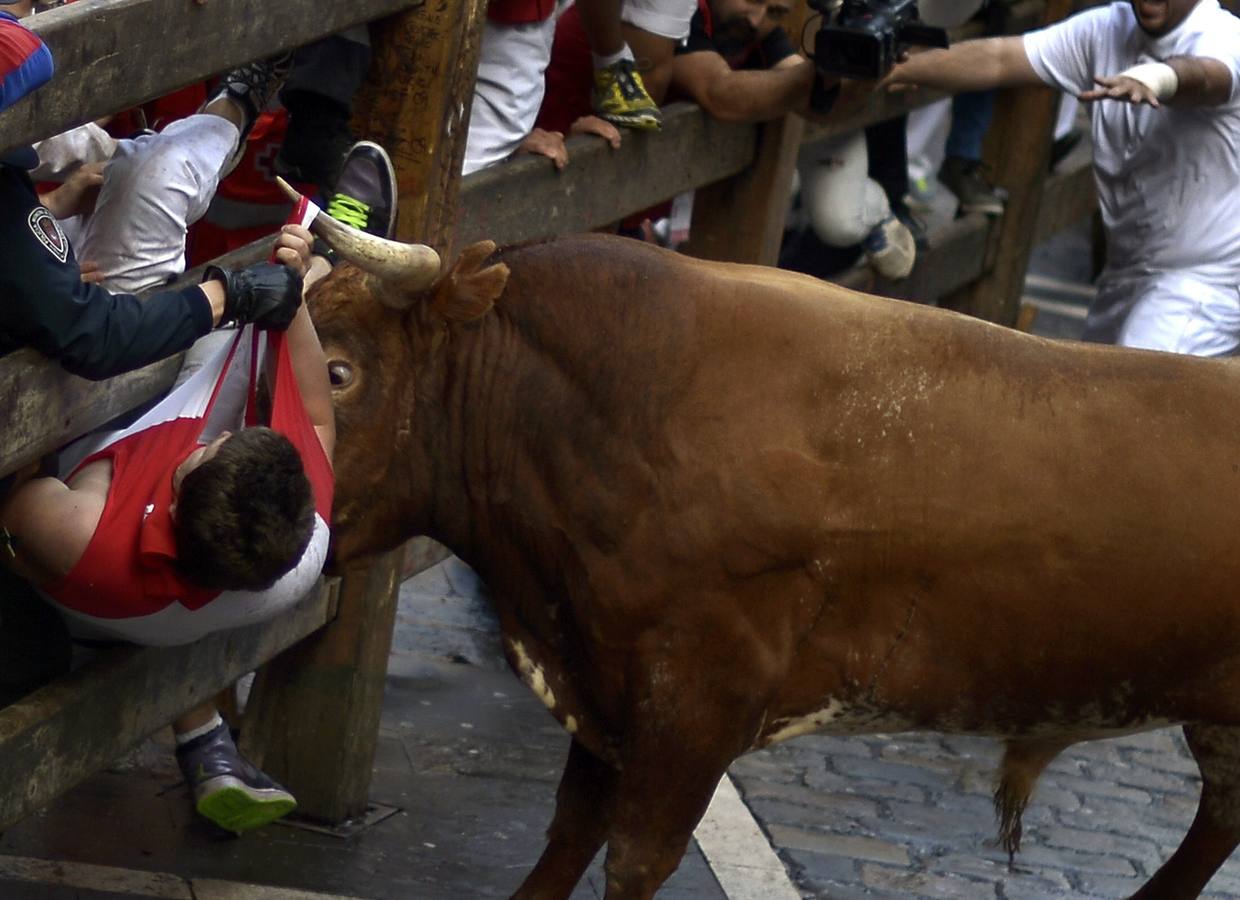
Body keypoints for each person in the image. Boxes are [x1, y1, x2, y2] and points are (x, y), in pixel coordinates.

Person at [885, 0, 1240, 356]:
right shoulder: (1106, 28)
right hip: (1126, 272)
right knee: (1090, 396)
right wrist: (904, 68)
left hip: (1203, 281)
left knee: (1123, 400)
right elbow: (1000, 59)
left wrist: (1159, 77)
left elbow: (1208, 76)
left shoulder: (1223, 38)